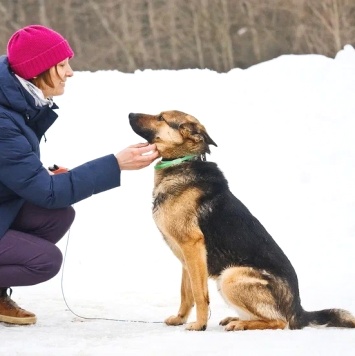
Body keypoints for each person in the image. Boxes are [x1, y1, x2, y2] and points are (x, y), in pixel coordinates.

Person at [0, 25, 159, 325]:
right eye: (61, 65)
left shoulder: (16, 101)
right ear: (37, 70)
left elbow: (15, 171)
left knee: (57, 215)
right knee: (44, 261)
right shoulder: (4, 121)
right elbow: (46, 192)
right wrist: (115, 163)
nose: (70, 72)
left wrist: (46, 175)